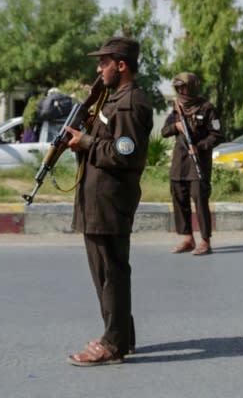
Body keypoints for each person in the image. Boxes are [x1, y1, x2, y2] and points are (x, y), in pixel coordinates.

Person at [65, 36, 153, 367]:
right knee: (107, 272)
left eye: (104, 63)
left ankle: (113, 343)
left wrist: (85, 142)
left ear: (121, 66)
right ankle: (120, 336)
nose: (98, 68)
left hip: (109, 201)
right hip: (99, 199)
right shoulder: (114, 99)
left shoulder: (130, 104)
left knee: (110, 274)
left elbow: (125, 155)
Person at [161, 72, 224, 256]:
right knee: (179, 199)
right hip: (179, 162)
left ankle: (205, 240)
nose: (181, 90)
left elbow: (218, 135)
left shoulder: (207, 108)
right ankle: (187, 237)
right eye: (178, 87)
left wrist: (200, 146)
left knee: (200, 200)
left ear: (193, 87)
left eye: (184, 87)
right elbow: (165, 131)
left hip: (198, 162)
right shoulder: (177, 107)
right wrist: (176, 127)